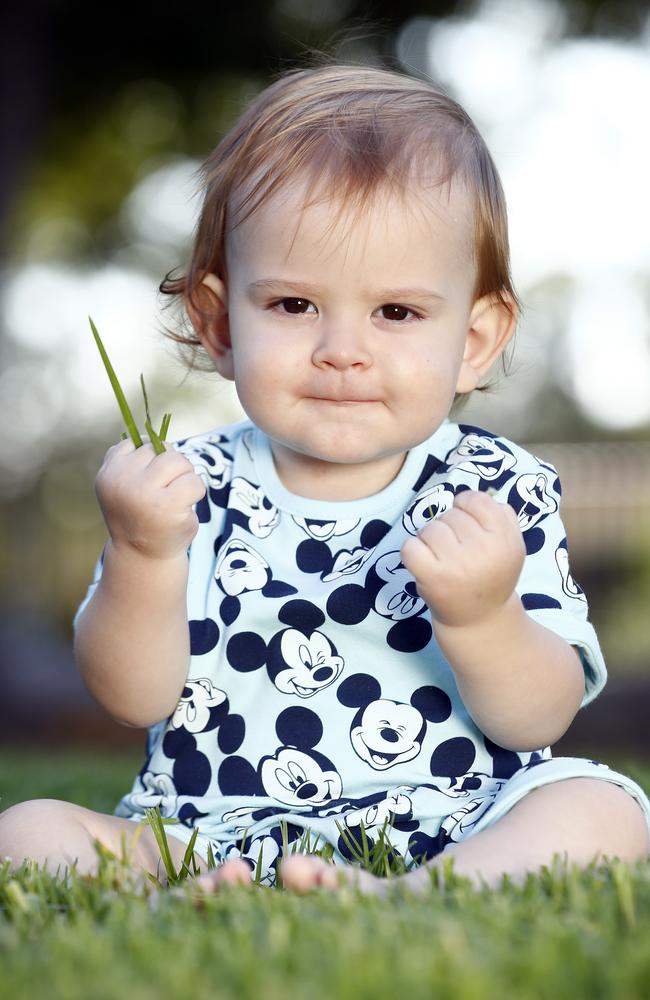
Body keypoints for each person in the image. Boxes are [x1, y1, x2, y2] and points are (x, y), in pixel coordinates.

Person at [1, 63, 648, 896]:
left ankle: (412, 891)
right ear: (218, 322)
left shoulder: (497, 487)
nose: (344, 349)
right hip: (211, 829)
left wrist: (484, 615)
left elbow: (538, 717)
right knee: (26, 832)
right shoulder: (185, 490)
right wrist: (142, 554)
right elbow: (132, 698)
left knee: (601, 808)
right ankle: (209, 882)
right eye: (295, 306)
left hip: (458, 821)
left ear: (477, 339)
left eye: (398, 312)